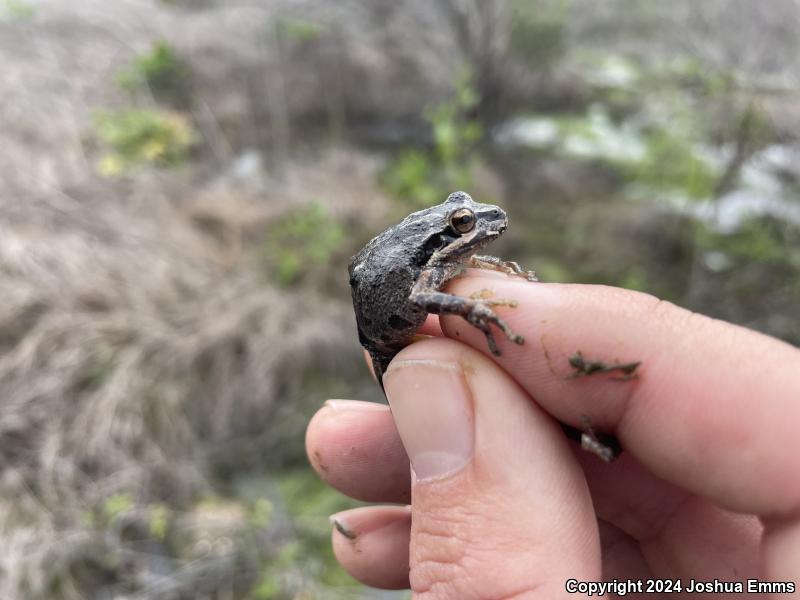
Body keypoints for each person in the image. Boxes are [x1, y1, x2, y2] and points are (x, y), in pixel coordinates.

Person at [305, 272, 800, 597]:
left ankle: (583, 438)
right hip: (386, 324)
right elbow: (416, 297)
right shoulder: (423, 274)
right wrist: (472, 310)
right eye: (461, 225)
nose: (480, 223)